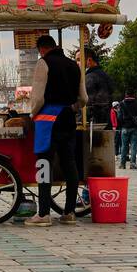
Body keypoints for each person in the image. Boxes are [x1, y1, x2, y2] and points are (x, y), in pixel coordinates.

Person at [25, 34, 87, 226]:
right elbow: (84, 98)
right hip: (68, 119)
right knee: (69, 163)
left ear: (41, 49)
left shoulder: (44, 63)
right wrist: (71, 108)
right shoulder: (74, 65)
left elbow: (38, 97)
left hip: (47, 120)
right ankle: (69, 213)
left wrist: (31, 114)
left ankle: (43, 214)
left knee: (44, 164)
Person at [84, 49, 113, 128]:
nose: (77, 63)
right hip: (105, 121)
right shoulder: (106, 75)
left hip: (93, 124)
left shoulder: (89, 77)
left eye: (79, 60)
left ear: (89, 60)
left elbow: (88, 102)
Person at [117, 89, 137, 170]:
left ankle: (122, 164)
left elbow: (119, 117)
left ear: (126, 94)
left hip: (125, 127)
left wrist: (122, 124)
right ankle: (133, 163)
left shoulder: (121, 104)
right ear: (133, 95)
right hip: (135, 127)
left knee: (124, 146)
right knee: (134, 145)